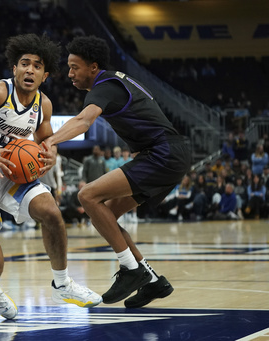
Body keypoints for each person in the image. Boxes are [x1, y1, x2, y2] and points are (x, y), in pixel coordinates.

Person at [0, 33, 102, 320]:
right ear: (14, 69)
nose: (30, 70)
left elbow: (45, 144)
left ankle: (62, 283)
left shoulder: (44, 105)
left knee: (51, 212)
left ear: (45, 75)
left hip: (11, 178)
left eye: (37, 66)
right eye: (24, 64)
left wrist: (49, 155)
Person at [43, 35, 191, 308]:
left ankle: (131, 270)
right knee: (106, 213)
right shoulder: (118, 80)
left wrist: (50, 140)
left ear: (93, 67)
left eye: (75, 67)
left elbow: (84, 121)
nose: (70, 73)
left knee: (87, 196)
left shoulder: (106, 84)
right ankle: (152, 280)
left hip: (163, 154)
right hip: (166, 153)